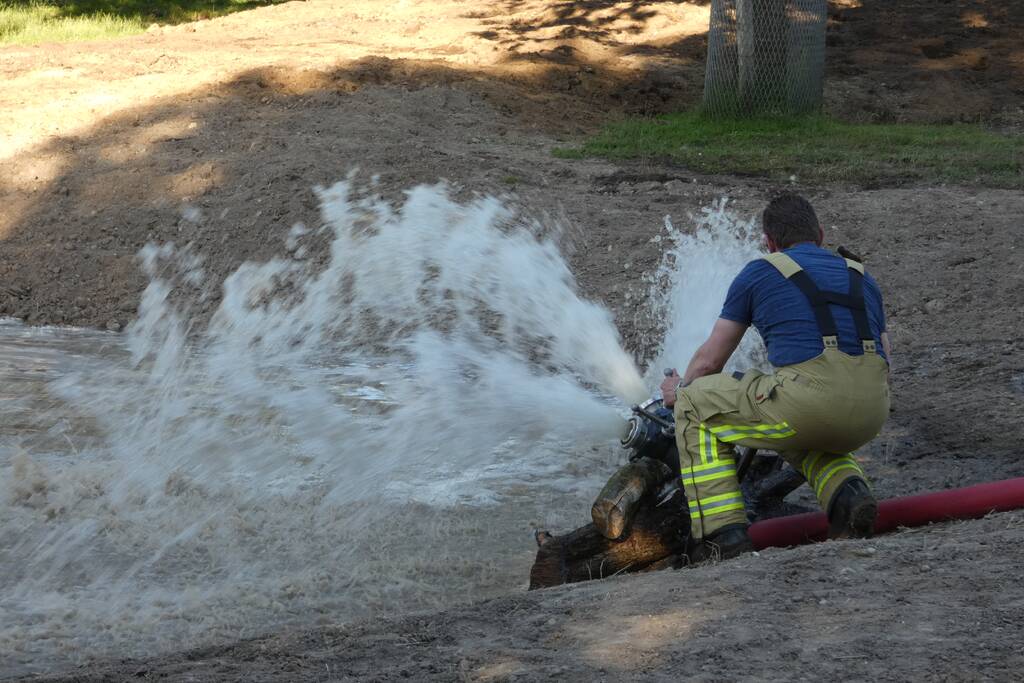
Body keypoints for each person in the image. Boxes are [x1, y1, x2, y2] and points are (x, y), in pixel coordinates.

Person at [660, 193, 891, 561]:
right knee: (790, 423)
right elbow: (885, 356)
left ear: (768, 242)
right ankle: (848, 496)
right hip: (872, 412)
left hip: (811, 404)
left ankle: (721, 535)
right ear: (820, 234)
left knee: (694, 404)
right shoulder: (862, 278)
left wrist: (678, 392)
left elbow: (708, 364)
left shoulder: (759, 272)